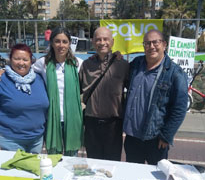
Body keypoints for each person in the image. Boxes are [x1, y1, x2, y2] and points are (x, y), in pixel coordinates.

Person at [0, 27, 84, 156]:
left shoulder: (78, 64)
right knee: (53, 157)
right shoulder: (43, 63)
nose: (61, 45)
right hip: (52, 118)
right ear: (51, 43)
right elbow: (23, 69)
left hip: (73, 118)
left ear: (69, 44)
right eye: (57, 41)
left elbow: (94, 73)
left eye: (64, 41)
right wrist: (4, 71)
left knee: (72, 157)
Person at [123, 29, 188, 165]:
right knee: (131, 179)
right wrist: (112, 57)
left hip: (156, 140)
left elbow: (180, 108)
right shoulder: (136, 65)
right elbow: (117, 71)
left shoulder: (175, 73)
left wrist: (167, 136)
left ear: (164, 45)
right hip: (132, 138)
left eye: (155, 42)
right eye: (147, 43)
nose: (151, 46)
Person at [0, 44, 49, 153]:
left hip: (36, 141)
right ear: (10, 59)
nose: (21, 63)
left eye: (25, 59)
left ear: (31, 61)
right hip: (9, 141)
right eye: (17, 59)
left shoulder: (40, 78)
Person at [79, 27, 129, 161]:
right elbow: (78, 89)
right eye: (98, 39)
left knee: (112, 163)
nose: (102, 42)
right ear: (93, 42)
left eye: (106, 39)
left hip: (113, 124)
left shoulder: (123, 65)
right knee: (92, 162)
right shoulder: (86, 65)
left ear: (112, 42)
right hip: (91, 123)